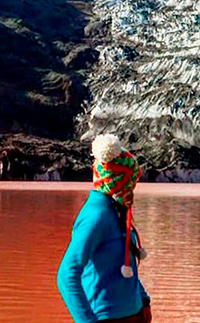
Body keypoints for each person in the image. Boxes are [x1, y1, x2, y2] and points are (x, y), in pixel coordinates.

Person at [57, 134, 152, 323]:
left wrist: (143, 301)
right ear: (119, 182)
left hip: (132, 315)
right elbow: (66, 274)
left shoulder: (116, 210)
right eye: (131, 182)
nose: (133, 188)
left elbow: (124, 262)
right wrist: (86, 321)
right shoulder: (96, 216)